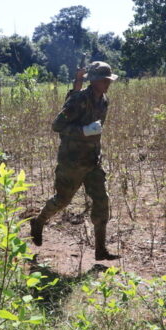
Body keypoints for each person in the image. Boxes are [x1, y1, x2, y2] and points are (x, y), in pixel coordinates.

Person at [29, 61, 119, 261]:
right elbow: (57, 126)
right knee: (62, 200)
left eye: (109, 80)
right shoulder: (79, 100)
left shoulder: (104, 101)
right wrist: (83, 131)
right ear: (94, 81)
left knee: (102, 201)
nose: (107, 83)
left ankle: (100, 250)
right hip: (72, 160)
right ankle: (39, 221)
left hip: (93, 160)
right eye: (104, 80)